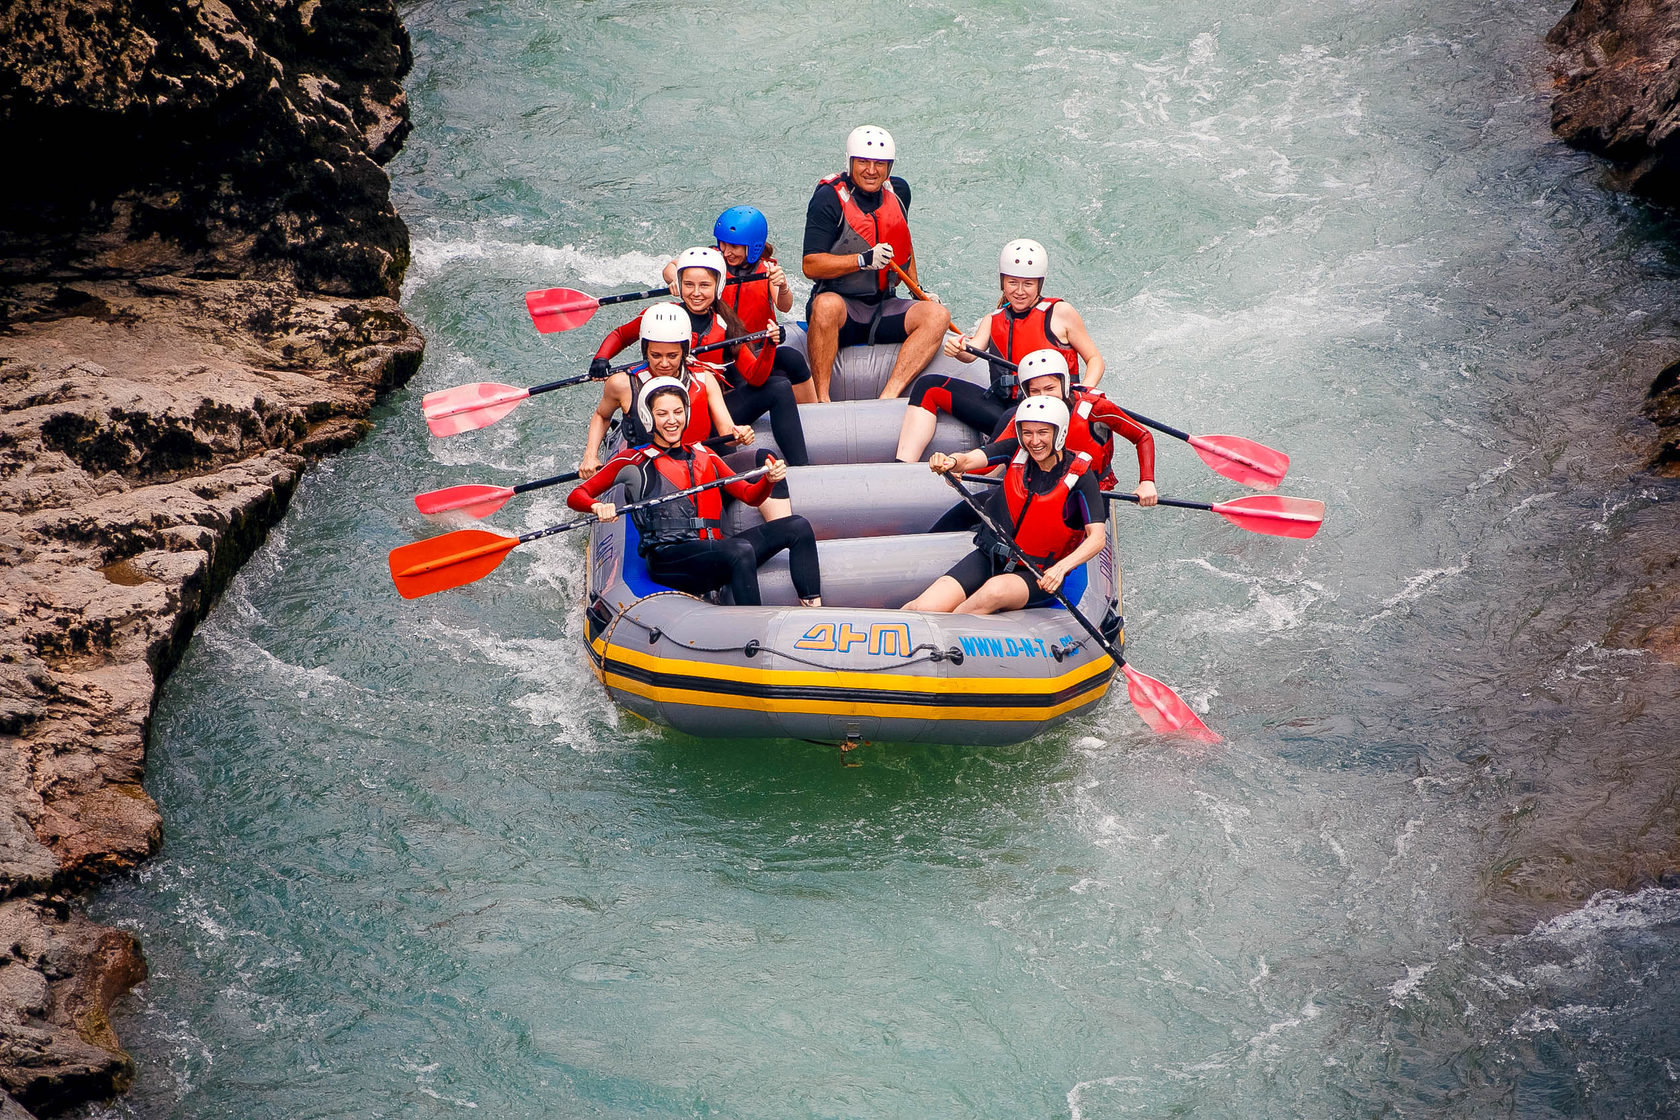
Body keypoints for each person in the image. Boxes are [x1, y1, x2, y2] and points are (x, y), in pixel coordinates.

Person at [570, 378, 822, 608]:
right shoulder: (633, 461)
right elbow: (578, 495)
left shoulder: (705, 455)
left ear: (686, 415)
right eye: (662, 414)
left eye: (678, 412)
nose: (672, 420)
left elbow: (749, 496)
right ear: (649, 418)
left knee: (798, 527)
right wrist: (596, 507)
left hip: (713, 552)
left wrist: (767, 480)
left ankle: (811, 608)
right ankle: (754, 631)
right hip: (669, 560)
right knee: (739, 550)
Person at [603, 247, 811, 478]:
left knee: (779, 387)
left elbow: (755, 376)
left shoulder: (726, 326)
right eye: (689, 285)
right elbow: (621, 335)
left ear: (718, 287)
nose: (696, 293)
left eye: (704, 286)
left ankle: (802, 470)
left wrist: (769, 347)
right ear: (679, 284)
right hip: (663, 415)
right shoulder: (660, 317)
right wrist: (601, 359)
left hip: (709, 416)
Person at [894, 238, 1106, 463]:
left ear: (1039, 284)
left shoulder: (1060, 312)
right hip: (1004, 405)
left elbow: (1095, 360)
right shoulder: (993, 319)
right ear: (1002, 282)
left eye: (1028, 284)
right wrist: (958, 349)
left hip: (1050, 409)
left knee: (1013, 418)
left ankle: (985, 477)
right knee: (929, 386)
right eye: (1013, 283)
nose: (1020, 291)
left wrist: (1082, 393)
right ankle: (903, 467)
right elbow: (971, 352)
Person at [903, 396, 1107, 616]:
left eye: (1043, 433)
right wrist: (950, 462)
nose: (1034, 441)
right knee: (923, 606)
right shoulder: (1015, 450)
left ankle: (942, 633)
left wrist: (1061, 568)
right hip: (990, 556)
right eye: (1027, 433)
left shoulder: (1080, 477)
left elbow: (1097, 538)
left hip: (1036, 574)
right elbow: (970, 459)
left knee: (993, 591)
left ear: (1060, 433)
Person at [800, 125, 951, 401]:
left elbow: (903, 240)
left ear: (889, 167)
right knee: (825, 306)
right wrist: (862, 260)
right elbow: (811, 265)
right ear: (850, 163)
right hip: (843, 307)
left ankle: (888, 397)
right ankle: (822, 399)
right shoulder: (828, 199)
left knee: (938, 315)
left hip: (884, 305)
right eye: (864, 162)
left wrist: (918, 290)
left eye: (880, 164)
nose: (872, 170)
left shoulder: (899, 191)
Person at [661, 206, 816, 403]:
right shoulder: (711, 259)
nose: (726, 252)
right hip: (723, 349)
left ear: (753, 246)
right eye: (723, 244)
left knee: (792, 359)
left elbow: (784, 306)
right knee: (741, 381)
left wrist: (783, 286)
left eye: (733, 246)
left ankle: (814, 411)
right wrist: (675, 278)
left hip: (757, 348)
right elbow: (671, 267)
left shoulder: (768, 269)